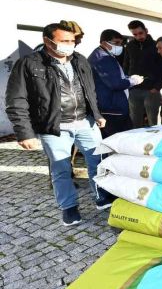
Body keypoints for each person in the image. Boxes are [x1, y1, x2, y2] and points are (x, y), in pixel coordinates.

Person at [6, 23, 111, 226]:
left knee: (98, 161)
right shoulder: (29, 63)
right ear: (48, 41)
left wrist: (96, 114)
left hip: (85, 122)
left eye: (72, 40)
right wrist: (24, 133)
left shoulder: (80, 60)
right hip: (54, 126)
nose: (70, 45)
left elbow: (89, 89)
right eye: (64, 41)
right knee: (61, 168)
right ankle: (68, 207)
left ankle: (102, 196)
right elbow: (16, 99)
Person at [88, 30, 144, 137]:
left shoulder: (104, 55)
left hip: (110, 107)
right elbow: (116, 83)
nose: (120, 46)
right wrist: (134, 81)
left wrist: (128, 78)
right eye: (116, 43)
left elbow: (114, 77)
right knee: (118, 141)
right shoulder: (103, 58)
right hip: (111, 109)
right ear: (104, 43)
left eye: (121, 43)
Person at [123, 20, 162, 127]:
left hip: (152, 90)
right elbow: (125, 66)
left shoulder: (156, 46)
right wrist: (127, 85)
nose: (138, 36)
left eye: (140, 33)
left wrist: (157, 87)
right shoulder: (130, 46)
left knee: (154, 123)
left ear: (146, 31)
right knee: (134, 122)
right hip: (134, 90)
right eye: (135, 34)